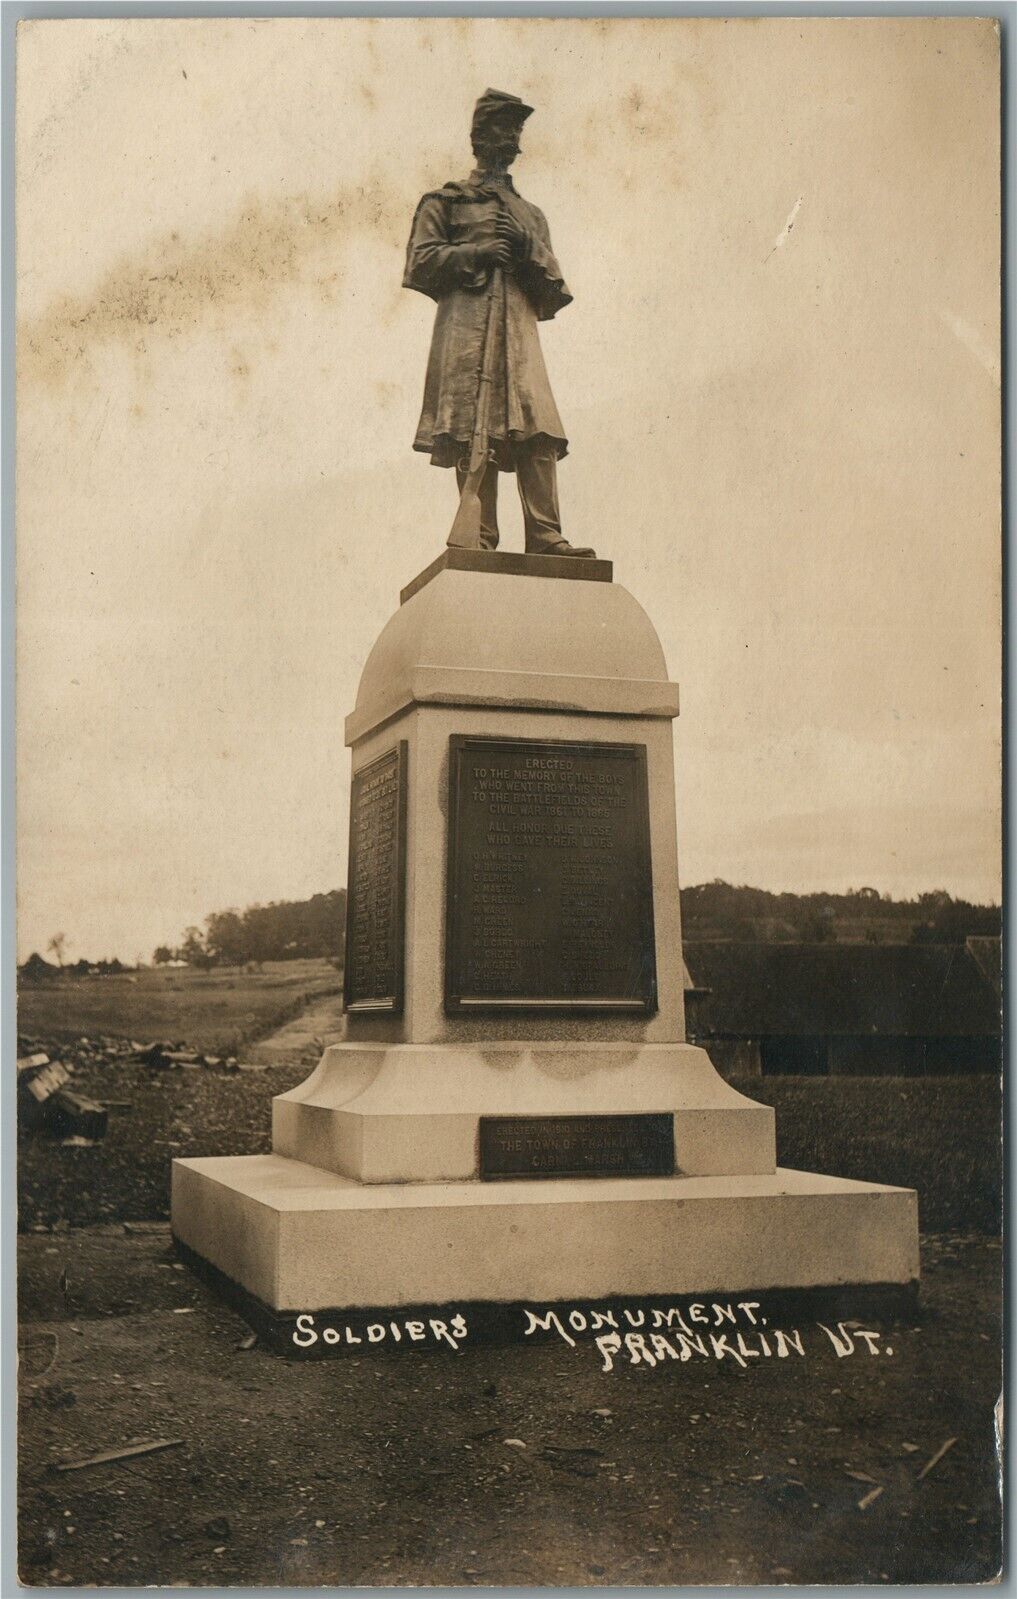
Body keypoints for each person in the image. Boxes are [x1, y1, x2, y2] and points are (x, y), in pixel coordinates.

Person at [403, 89, 595, 558]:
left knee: (538, 428)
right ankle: (481, 537)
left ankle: (546, 535)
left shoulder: (531, 216)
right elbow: (420, 262)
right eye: (503, 130)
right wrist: (477, 252)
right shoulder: (444, 202)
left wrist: (527, 248)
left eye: (516, 132)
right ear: (479, 137)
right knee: (474, 426)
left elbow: (554, 289)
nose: (512, 141)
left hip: (519, 337)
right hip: (466, 334)